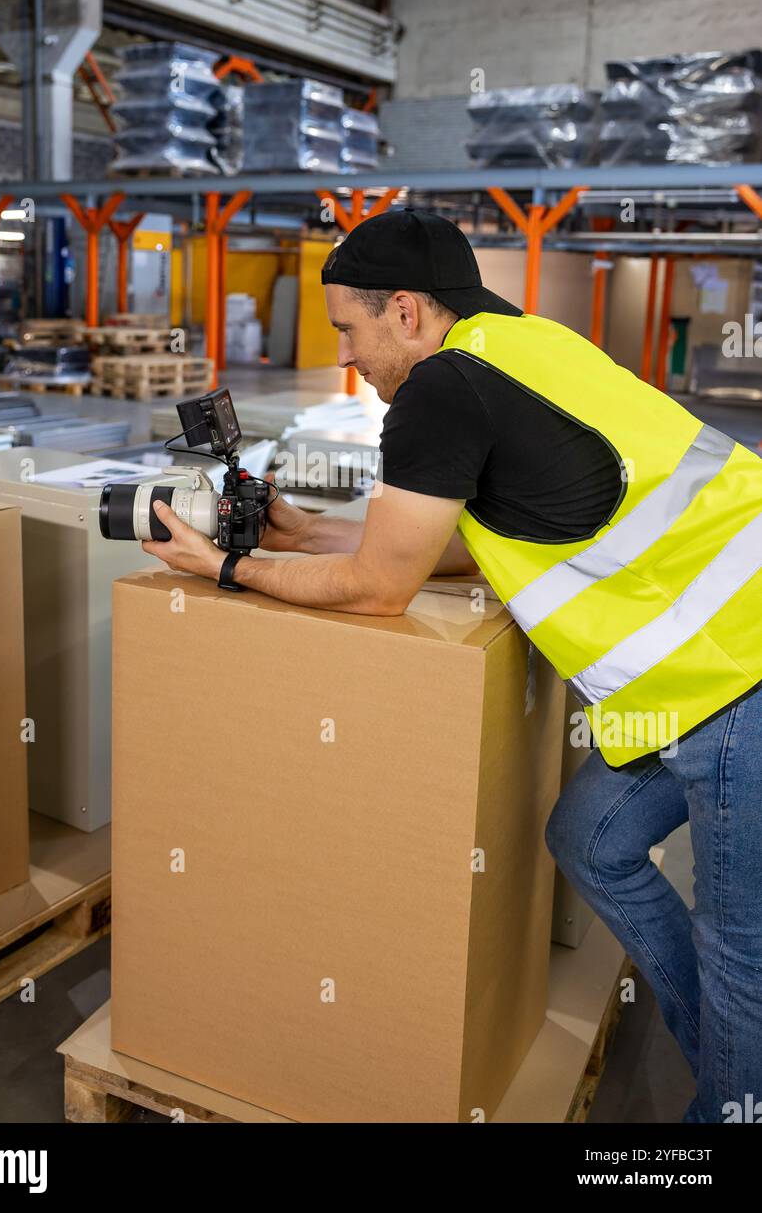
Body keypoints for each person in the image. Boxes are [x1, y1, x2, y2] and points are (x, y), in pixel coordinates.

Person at [144, 206, 762, 1123]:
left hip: (735, 684)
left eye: (349, 329)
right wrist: (308, 530)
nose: (349, 356)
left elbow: (379, 588)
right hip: (688, 683)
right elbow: (474, 531)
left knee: (740, 952)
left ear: (402, 310)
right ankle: (722, 1063)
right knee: (592, 842)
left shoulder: (442, 388)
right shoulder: (523, 345)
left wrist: (226, 566)